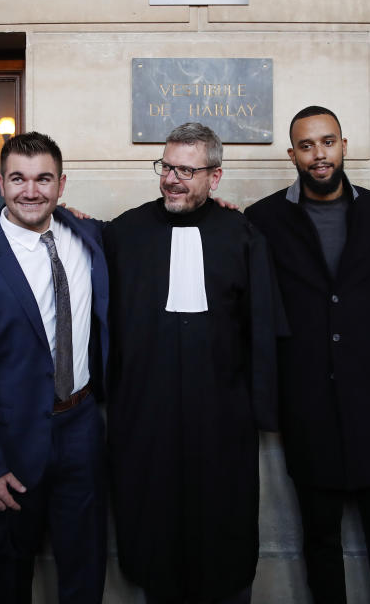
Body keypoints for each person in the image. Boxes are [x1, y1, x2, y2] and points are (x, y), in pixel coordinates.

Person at [104, 122, 282, 604]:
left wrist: (261, 409)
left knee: (221, 525)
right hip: (146, 416)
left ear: (215, 177)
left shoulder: (242, 235)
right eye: (166, 167)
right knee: (153, 522)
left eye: (186, 169)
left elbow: (262, 325)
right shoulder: (124, 233)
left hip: (222, 419)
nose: (172, 179)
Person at [244, 105, 370, 603]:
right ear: (292, 154)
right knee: (320, 537)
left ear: (343, 146)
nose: (320, 154)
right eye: (308, 145)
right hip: (308, 404)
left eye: (328, 142)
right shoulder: (263, 218)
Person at [0, 132, 109, 604]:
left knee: (85, 563)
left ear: (61, 184)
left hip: (82, 428)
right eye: (18, 179)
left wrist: (214, 205)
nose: (30, 191)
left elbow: (152, 229)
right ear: (0, 183)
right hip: (9, 446)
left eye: (43, 179)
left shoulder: (88, 236)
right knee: (8, 572)